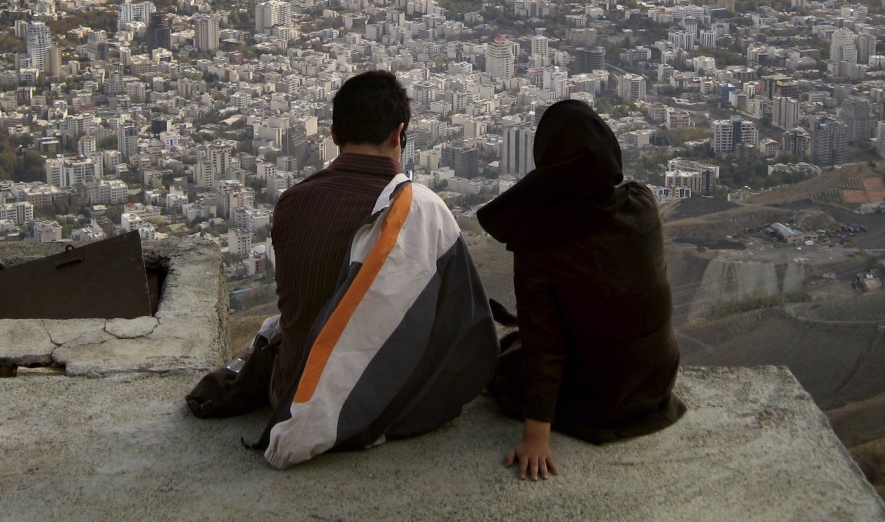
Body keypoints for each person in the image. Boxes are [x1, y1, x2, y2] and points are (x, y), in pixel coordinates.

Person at [254, 70, 497, 469]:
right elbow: (465, 327)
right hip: (374, 405)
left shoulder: (291, 203)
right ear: (399, 133)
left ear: (334, 134)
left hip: (289, 392)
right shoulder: (423, 210)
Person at [477, 99, 686, 481]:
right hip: (656, 382)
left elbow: (544, 347)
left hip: (599, 400)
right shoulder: (642, 203)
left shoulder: (541, 243)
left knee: (500, 365)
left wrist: (537, 436)